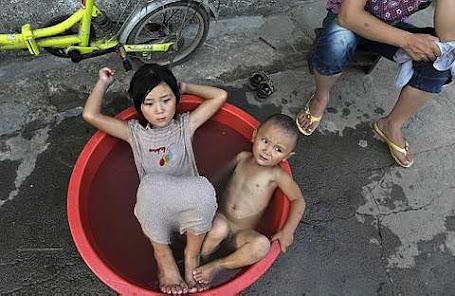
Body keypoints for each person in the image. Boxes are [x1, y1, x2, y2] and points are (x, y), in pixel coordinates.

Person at [82, 64, 228, 295]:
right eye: (149, 104)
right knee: (151, 185)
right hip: (156, 215)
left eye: (166, 100)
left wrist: (186, 86)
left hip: (192, 212)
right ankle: (163, 256)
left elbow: (220, 96)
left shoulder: (185, 125)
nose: (159, 110)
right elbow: (90, 115)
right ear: (138, 106)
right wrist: (103, 82)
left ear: (176, 98)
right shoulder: (134, 134)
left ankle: (192, 256)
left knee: (203, 189)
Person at [296, 0, 455, 168]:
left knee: (443, 59)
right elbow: (348, 16)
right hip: (348, 18)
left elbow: (447, 37)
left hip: (392, 26)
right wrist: (407, 40)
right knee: (337, 42)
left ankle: (391, 124)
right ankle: (321, 97)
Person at [192, 114, 306, 285]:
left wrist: (287, 231)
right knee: (219, 228)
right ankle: (201, 260)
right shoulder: (242, 158)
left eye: (278, 149)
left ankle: (218, 265)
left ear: (287, 156)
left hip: (240, 235)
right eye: (265, 141)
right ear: (254, 135)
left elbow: (298, 200)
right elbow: (217, 179)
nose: (268, 151)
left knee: (262, 246)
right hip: (217, 222)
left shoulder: (276, 175)